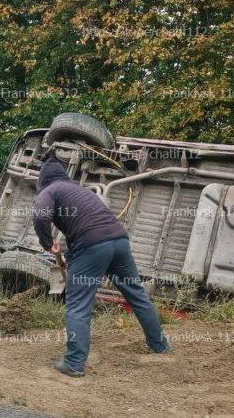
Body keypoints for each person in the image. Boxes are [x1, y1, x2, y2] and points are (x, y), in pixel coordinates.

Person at [32, 156, 170, 377]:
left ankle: (74, 364)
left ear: (43, 179)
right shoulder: (81, 190)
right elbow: (87, 223)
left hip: (92, 246)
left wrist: (48, 244)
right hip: (119, 241)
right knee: (137, 295)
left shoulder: (49, 191)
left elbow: (40, 217)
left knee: (78, 305)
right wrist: (70, 253)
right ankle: (160, 345)